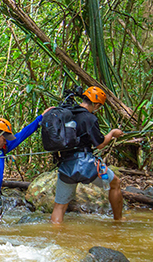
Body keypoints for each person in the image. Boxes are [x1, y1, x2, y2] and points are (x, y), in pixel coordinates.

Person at [49, 86, 124, 224]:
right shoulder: (89, 118)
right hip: (86, 166)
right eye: (99, 106)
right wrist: (112, 133)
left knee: (59, 207)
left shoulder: (66, 113)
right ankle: (118, 221)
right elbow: (100, 144)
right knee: (115, 183)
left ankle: (55, 239)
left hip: (66, 166)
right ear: (96, 104)